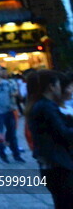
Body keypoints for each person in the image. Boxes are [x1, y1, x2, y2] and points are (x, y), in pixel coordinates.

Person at [27, 70, 73, 207]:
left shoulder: (42, 105)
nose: (61, 87)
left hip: (53, 165)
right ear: (51, 87)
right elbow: (63, 133)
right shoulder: (46, 107)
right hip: (59, 165)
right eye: (58, 84)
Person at [0, 65, 25, 163]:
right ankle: (2, 154)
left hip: (9, 110)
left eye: (0, 70)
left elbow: (11, 95)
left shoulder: (6, 83)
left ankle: (16, 154)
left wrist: (13, 106)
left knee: (12, 133)